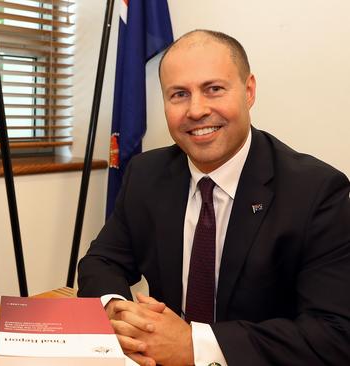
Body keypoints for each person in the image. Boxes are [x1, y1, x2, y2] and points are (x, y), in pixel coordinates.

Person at [78, 29, 350, 366]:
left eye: (214, 89)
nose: (196, 110)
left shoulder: (317, 191)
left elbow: (334, 335)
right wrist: (116, 309)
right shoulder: (146, 174)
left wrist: (195, 345)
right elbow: (101, 261)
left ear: (248, 91)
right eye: (179, 94)